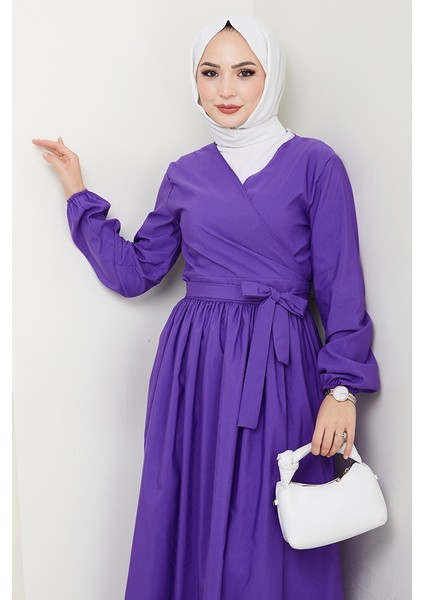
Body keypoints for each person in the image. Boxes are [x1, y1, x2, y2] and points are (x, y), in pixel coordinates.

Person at [32, 13, 380, 600]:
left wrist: (341, 390)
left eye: (245, 72)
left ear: (270, 77)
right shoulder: (184, 173)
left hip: (279, 364)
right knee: (191, 504)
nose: (226, 90)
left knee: (271, 518)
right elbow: (137, 271)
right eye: (210, 73)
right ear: (194, 82)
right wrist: (77, 190)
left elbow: (341, 285)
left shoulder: (316, 163)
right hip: (195, 369)